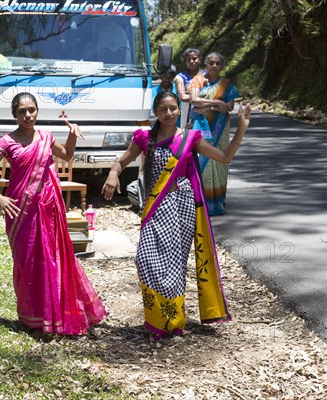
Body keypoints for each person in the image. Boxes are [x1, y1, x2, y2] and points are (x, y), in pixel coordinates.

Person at [102, 91, 251, 339]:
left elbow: (224, 157)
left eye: (173, 108)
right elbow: (121, 162)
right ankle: (158, 318)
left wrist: (242, 128)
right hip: (154, 207)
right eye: (163, 109)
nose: (169, 113)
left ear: (179, 110)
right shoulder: (143, 138)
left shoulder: (190, 139)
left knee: (173, 265)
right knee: (145, 260)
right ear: (156, 112)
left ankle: (171, 323)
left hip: (181, 207)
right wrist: (113, 174)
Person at [0, 92, 108, 336]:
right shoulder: (7, 141)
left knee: (52, 260)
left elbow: (67, 156)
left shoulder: (46, 137)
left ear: (37, 111)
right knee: (27, 262)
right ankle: (32, 317)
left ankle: (55, 315)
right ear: (14, 115)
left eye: (32, 110)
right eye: (22, 111)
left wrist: (72, 135)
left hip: (49, 209)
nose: (28, 115)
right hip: (19, 210)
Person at [189, 52, 240, 215]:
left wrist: (207, 107)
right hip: (200, 126)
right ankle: (199, 204)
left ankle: (216, 204)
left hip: (220, 128)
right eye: (211, 63)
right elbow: (194, 100)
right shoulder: (198, 80)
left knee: (219, 162)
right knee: (200, 161)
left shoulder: (227, 85)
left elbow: (229, 107)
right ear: (205, 64)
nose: (214, 66)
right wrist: (216, 103)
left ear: (222, 66)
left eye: (218, 63)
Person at [174, 48, 202, 128]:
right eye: (188, 59)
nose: (191, 61)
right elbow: (183, 97)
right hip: (187, 115)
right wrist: (202, 97)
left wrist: (191, 95)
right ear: (185, 62)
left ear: (199, 59)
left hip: (206, 113)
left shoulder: (206, 75)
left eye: (194, 58)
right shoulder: (180, 77)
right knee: (187, 138)